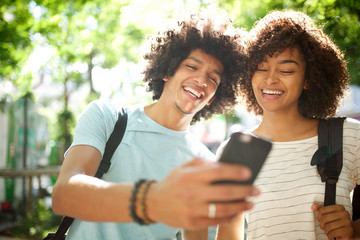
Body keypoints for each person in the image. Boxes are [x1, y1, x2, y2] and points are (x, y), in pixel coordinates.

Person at [51, 8, 260, 240]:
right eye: (192, 66)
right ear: (168, 71)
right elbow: (64, 196)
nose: (201, 81)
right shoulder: (108, 118)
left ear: (213, 97)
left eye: (213, 78)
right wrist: (150, 200)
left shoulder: (205, 165)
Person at [216, 10, 360, 240]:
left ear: (308, 79)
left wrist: (354, 231)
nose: (270, 79)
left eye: (286, 70)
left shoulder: (349, 136)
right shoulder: (236, 150)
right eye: (261, 68)